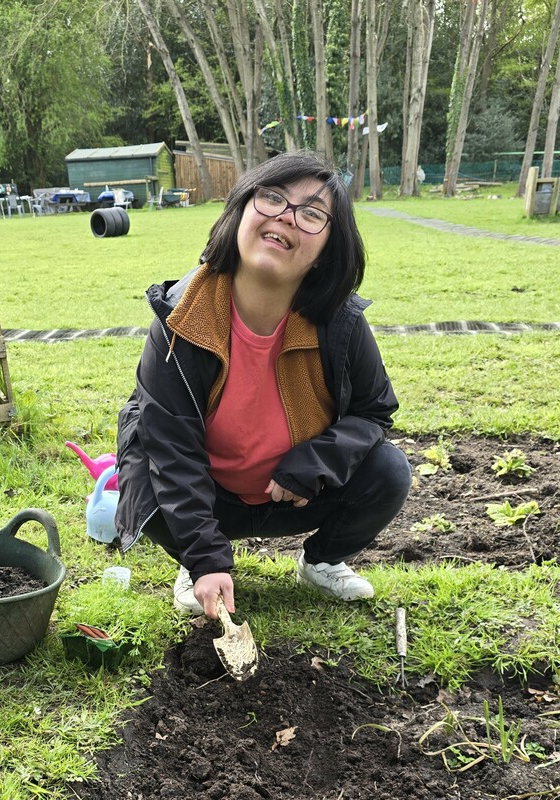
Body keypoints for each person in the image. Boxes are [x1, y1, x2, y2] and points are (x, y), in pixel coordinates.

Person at [115, 151, 411, 620]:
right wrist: (206, 558)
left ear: (328, 250)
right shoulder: (180, 317)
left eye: (312, 214)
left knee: (389, 471)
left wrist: (315, 463)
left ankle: (321, 561)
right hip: (210, 497)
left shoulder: (341, 322)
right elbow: (170, 448)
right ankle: (196, 563)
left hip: (296, 496)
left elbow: (374, 412)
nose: (285, 218)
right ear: (241, 211)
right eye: (272, 198)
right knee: (145, 480)